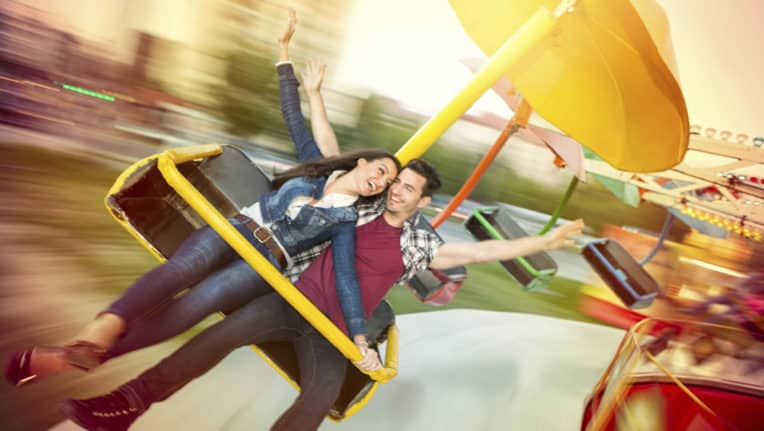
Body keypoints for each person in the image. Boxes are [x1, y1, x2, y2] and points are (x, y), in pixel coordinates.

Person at [4, 9, 399, 388]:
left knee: (191, 308)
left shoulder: (345, 222)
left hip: (262, 265)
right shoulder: (317, 167)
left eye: (387, 182)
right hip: (235, 229)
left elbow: (346, 279)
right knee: (180, 270)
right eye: (380, 170)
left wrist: (361, 340)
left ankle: (74, 357)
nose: (380, 181)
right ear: (362, 162)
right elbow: (293, 115)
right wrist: (283, 52)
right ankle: (99, 330)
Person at [57, 157, 584, 431]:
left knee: (316, 399)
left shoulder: (422, 242)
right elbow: (343, 167)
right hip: (286, 301)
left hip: (331, 331)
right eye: (395, 181)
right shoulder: (358, 206)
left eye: (408, 188)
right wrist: (310, 95)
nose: (396, 189)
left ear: (423, 200)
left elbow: (481, 254)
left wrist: (548, 241)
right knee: (216, 340)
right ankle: (124, 406)